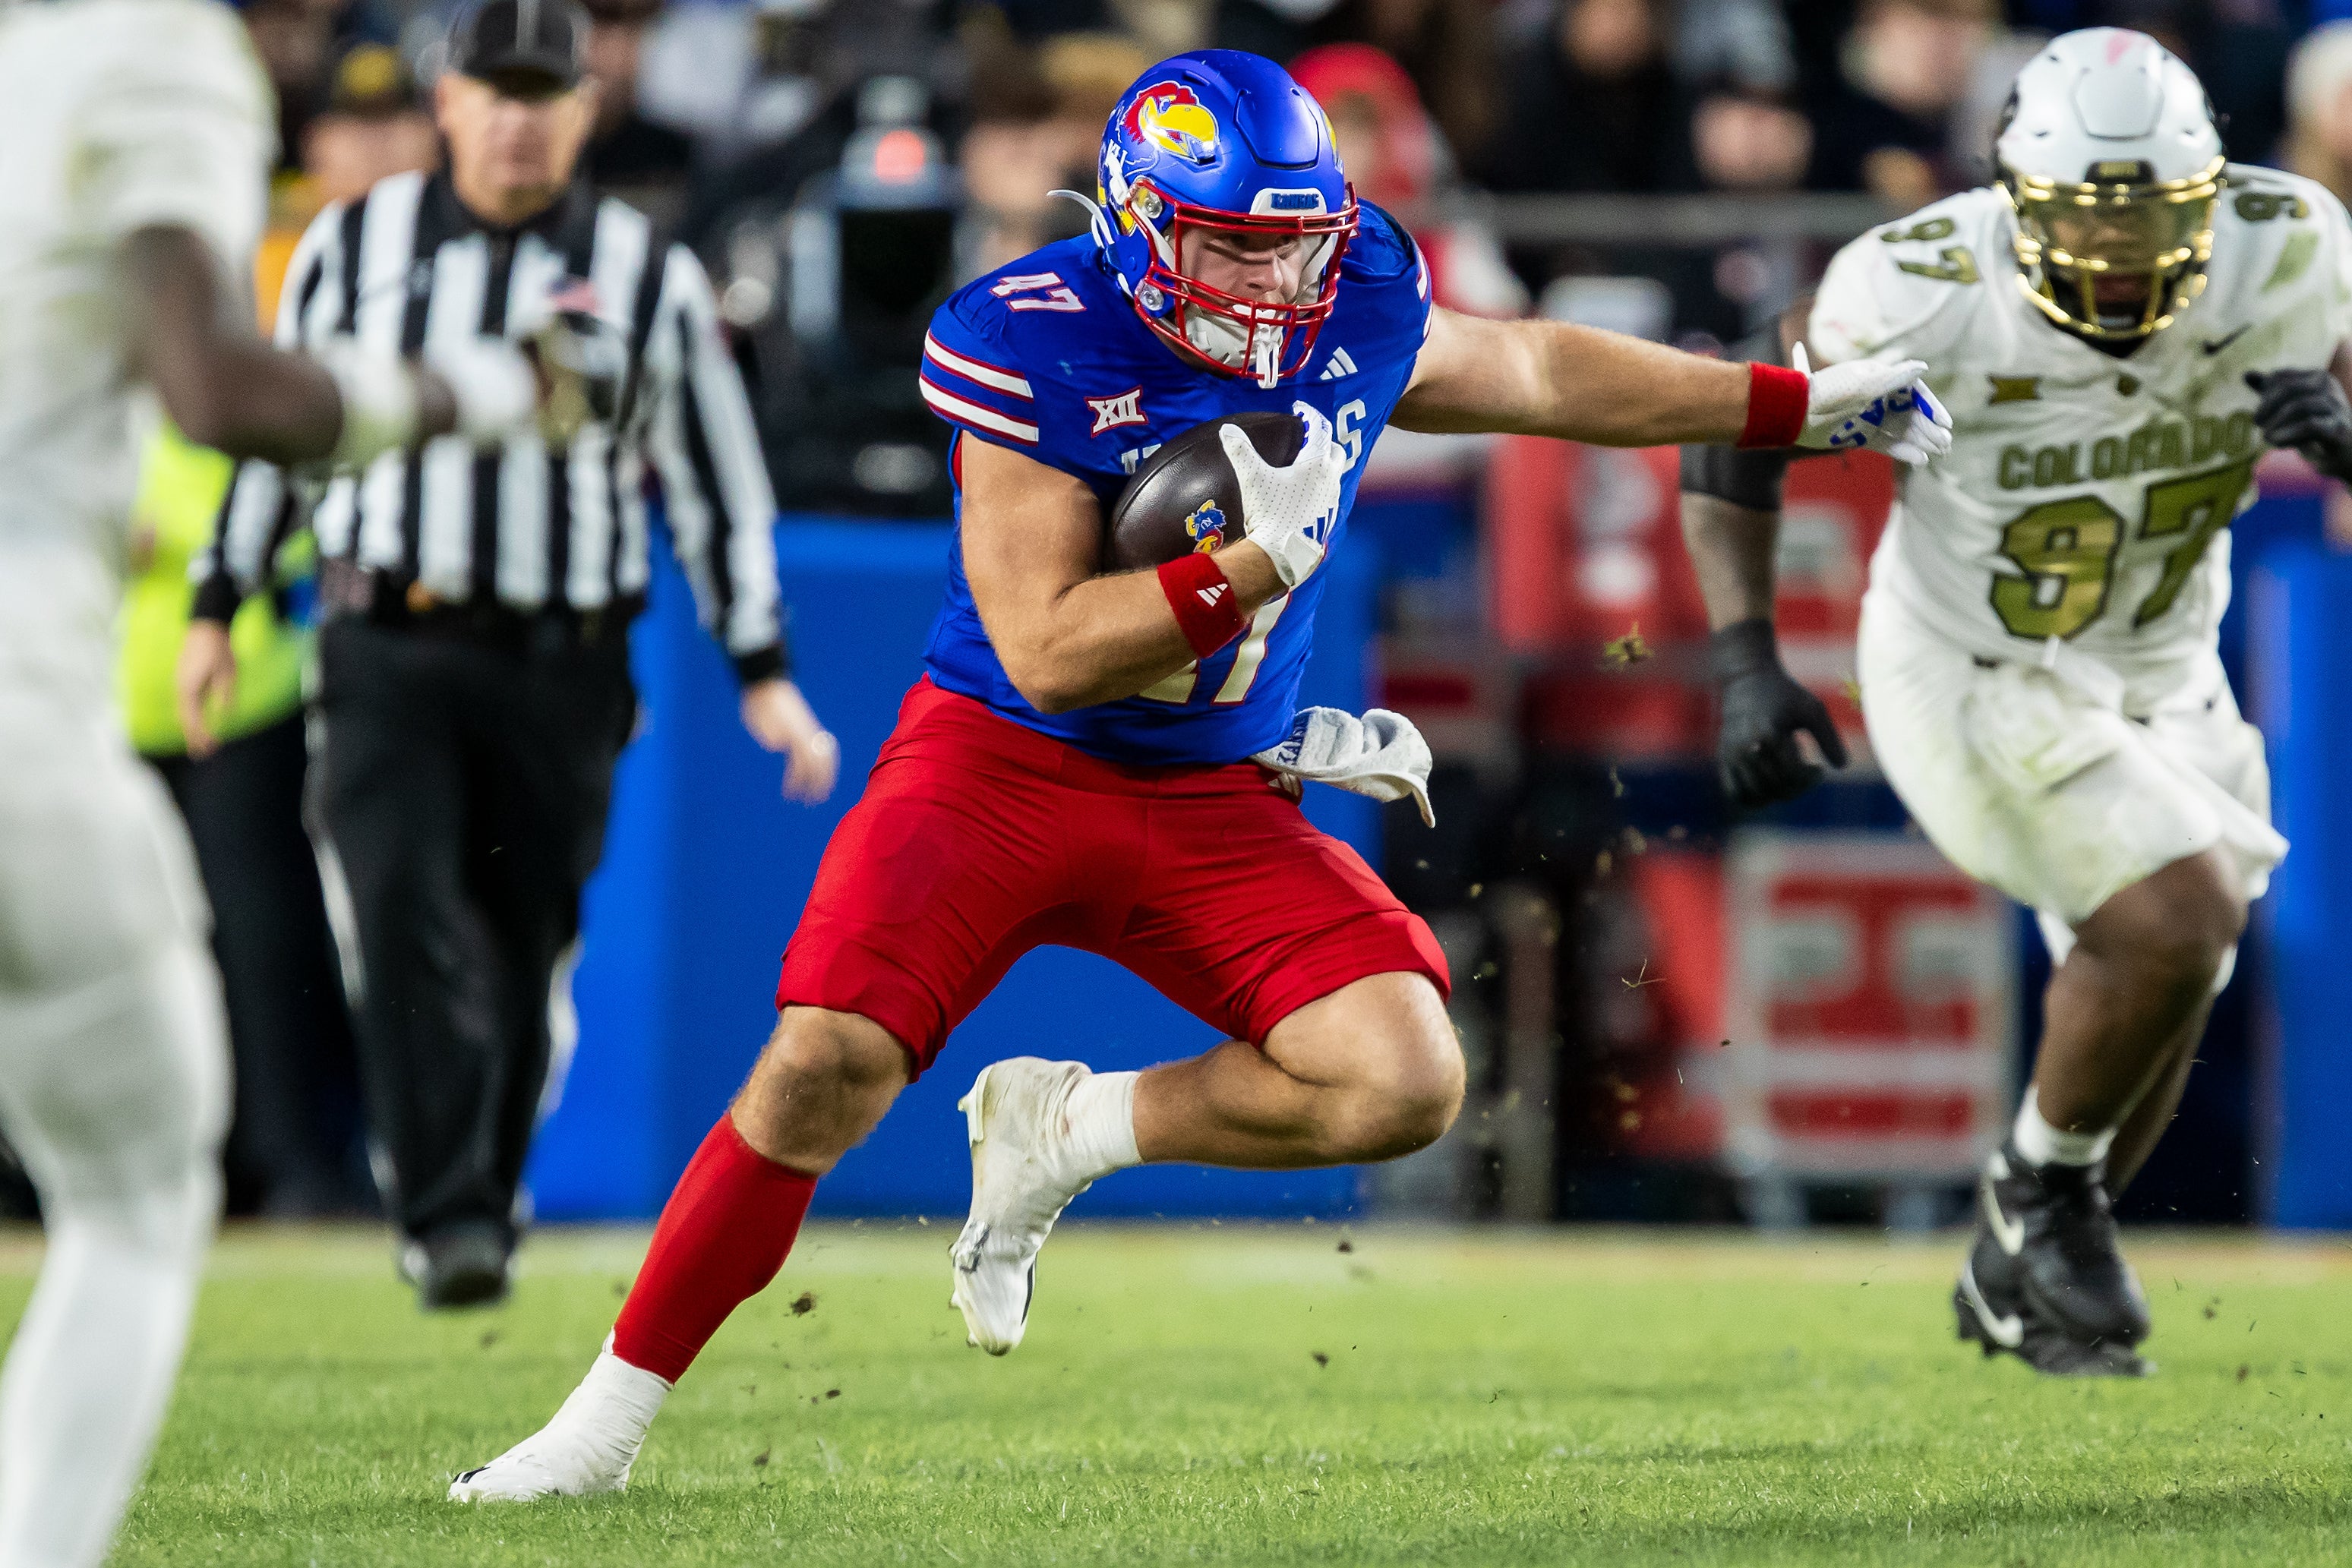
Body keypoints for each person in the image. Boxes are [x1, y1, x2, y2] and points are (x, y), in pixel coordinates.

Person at [447, 47, 1949, 1500]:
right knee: (821, 1062)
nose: (1275, 287)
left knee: (1404, 1075)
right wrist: (1240, 575)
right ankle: (598, 1425)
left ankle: (1065, 1131)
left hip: (1212, 790)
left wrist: (1786, 408)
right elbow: (1041, 648)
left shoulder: (1356, 287)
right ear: (1141, 220)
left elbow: (1532, 365)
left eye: (1294, 248)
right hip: (1003, 766)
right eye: (1234, 250)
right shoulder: (1031, 327)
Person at [1677, 29, 2350, 1375]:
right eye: (2082, 220)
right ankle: (2036, 1196)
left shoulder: (2290, 247)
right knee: (2181, 909)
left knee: (2177, 968)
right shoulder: (1922, 288)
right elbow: (1735, 420)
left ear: (2209, 198)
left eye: (2154, 218)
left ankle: (2020, 1246)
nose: (2116, 255)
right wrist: (1745, 656)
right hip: (1970, 660)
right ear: (2009, 201)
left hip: (2166, 659)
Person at [0, 0, 562, 1557]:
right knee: (126, 1203)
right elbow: (219, 390)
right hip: (25, 726)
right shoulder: (151, 53)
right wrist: (472, 393)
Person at [180, 0, 841, 1312]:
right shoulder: (350, 245)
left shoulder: (644, 268)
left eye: (549, 92)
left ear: (586, 109)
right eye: (499, 89)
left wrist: (761, 667)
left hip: (562, 660)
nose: (522, 117)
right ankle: (448, 1215)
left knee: (520, 948)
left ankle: (481, 1180)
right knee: (398, 912)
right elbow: (288, 435)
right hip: (384, 640)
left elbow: (717, 479)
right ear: (449, 100)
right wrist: (222, 594)